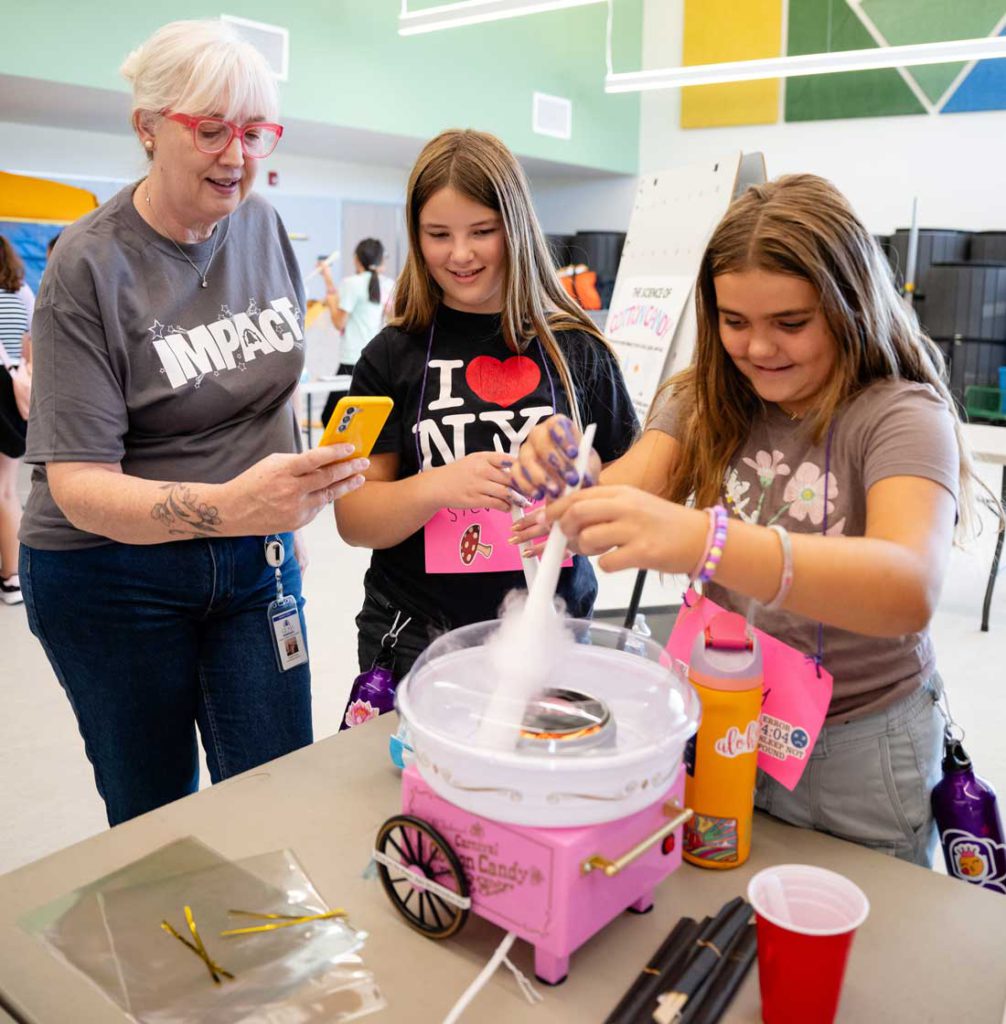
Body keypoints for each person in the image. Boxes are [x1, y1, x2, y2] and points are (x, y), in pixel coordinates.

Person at [512, 174, 977, 868]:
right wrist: (562, 474)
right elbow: (610, 502)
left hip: (857, 746)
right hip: (724, 713)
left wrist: (707, 541)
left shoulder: (900, 416)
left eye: (791, 324)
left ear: (850, 307)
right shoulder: (706, 400)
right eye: (734, 323)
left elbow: (906, 587)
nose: (759, 349)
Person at [18, 19, 369, 826]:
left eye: (254, 133)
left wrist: (283, 514)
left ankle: (271, 948)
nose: (237, 156)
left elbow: (267, 388)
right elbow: (76, 486)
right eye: (210, 131)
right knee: (156, 810)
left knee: (277, 785)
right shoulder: (88, 263)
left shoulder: (262, 225)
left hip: (251, 560)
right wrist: (233, 508)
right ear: (147, 129)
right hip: (111, 576)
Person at [335, 128, 637, 682]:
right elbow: (353, 518)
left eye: (482, 231)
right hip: (414, 638)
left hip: (552, 629)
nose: (460, 254)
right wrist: (437, 486)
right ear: (415, 236)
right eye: (438, 234)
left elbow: (632, 481)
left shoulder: (577, 348)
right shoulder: (388, 356)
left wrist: (581, 490)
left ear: (515, 228)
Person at [317, 239, 395, 428]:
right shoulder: (388, 284)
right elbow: (392, 319)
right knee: (364, 418)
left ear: (356, 260)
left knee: (331, 417)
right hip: (378, 359)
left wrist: (331, 297)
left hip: (352, 360)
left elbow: (338, 322)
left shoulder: (352, 284)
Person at [0, 235, 33, 604]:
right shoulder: (21, 293)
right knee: (6, 488)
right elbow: (30, 345)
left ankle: (10, 577)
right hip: (12, 390)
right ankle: (12, 577)